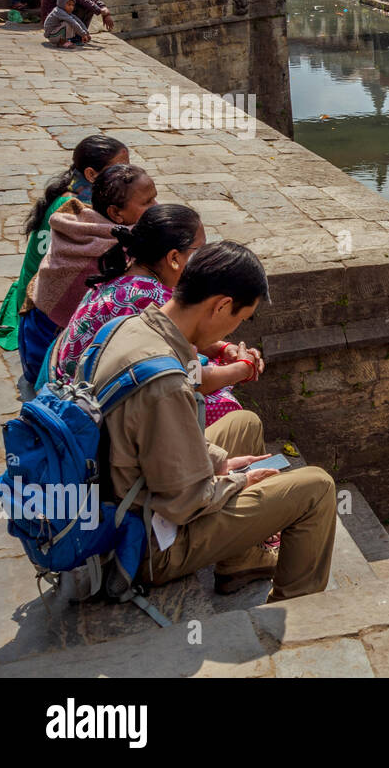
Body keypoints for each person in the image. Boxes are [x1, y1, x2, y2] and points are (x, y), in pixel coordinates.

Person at [92, 241, 336, 599]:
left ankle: (242, 560)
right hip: (145, 543)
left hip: (122, 487)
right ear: (221, 305)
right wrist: (238, 480)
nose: (232, 330)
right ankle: (299, 608)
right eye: (238, 318)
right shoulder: (166, 385)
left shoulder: (127, 327)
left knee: (245, 423)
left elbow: (153, 438)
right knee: (317, 487)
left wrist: (219, 461)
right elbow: (186, 502)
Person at [49, 204, 256, 425]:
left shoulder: (125, 275)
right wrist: (243, 369)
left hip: (72, 388)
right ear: (174, 257)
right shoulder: (153, 300)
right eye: (200, 252)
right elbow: (193, 379)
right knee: (226, 408)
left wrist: (221, 348)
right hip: (96, 412)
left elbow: (176, 338)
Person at [20, 163, 156, 382]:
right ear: (115, 213)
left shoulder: (79, 221)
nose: (156, 206)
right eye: (147, 202)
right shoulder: (115, 252)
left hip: (33, 332)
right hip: (50, 354)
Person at [0, 134, 127, 360]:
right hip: (39, 306)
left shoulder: (74, 192)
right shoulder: (75, 209)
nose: (126, 173)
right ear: (91, 174)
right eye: (119, 167)